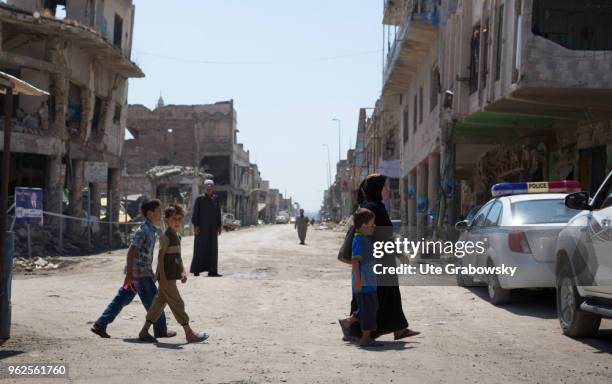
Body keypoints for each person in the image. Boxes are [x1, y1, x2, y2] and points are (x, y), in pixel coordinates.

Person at [341, 173, 420, 340]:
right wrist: (398, 253)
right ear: (377, 188)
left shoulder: (374, 205)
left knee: (388, 296)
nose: (387, 189)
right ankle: (354, 329)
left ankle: (398, 328)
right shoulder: (373, 208)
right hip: (376, 261)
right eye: (385, 186)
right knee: (373, 298)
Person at [91, 199, 176, 339]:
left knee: (121, 299)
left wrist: (150, 271)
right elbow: (131, 251)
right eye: (158, 211)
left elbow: (145, 254)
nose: (161, 214)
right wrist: (129, 274)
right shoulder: (143, 230)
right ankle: (160, 330)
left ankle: (101, 324)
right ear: (150, 213)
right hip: (139, 275)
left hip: (141, 273)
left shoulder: (151, 230)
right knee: (155, 302)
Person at [139, 204, 208, 343]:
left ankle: (144, 331)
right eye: (174, 219)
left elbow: (178, 257)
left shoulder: (177, 236)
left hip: (171, 277)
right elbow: (160, 257)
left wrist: (182, 271)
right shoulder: (165, 236)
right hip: (166, 278)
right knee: (178, 303)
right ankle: (189, 333)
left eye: (179, 219)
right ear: (166, 219)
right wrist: (162, 277)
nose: (177, 222)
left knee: (158, 305)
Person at [346, 208, 382, 347]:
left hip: (370, 281)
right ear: (363, 225)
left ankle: (348, 322)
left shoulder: (366, 239)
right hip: (364, 282)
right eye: (372, 224)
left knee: (371, 307)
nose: (374, 226)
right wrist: (358, 280)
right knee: (368, 309)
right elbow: (355, 262)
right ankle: (365, 338)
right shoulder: (358, 240)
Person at [191, 179, 222, 277]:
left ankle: (212, 271)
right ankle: (196, 270)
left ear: (212, 188)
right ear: (204, 188)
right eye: (207, 187)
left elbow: (218, 213)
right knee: (199, 248)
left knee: (212, 249)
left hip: (213, 229)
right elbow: (195, 213)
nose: (209, 189)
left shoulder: (216, 199)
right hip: (201, 229)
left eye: (210, 187)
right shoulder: (199, 199)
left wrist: (219, 226)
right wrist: (195, 225)